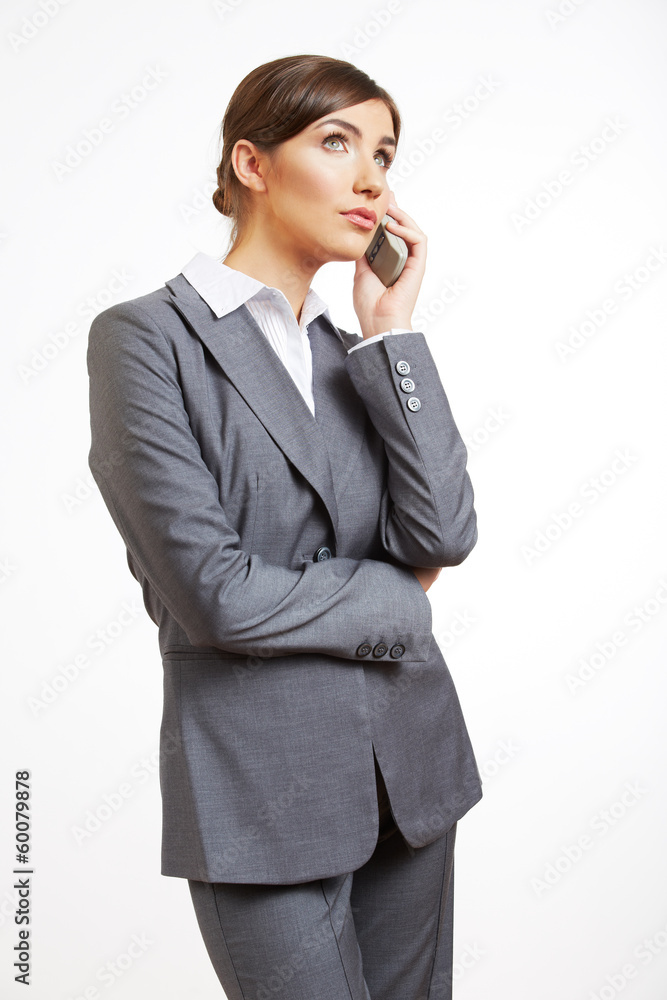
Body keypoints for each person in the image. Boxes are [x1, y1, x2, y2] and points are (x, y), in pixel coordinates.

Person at [87, 52, 482, 1000]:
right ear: (252, 163)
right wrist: (396, 598)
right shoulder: (145, 338)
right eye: (337, 142)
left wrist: (390, 332)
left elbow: (441, 536)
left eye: (383, 153)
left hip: (408, 769)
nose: (371, 177)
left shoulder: (354, 355)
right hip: (258, 783)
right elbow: (215, 595)